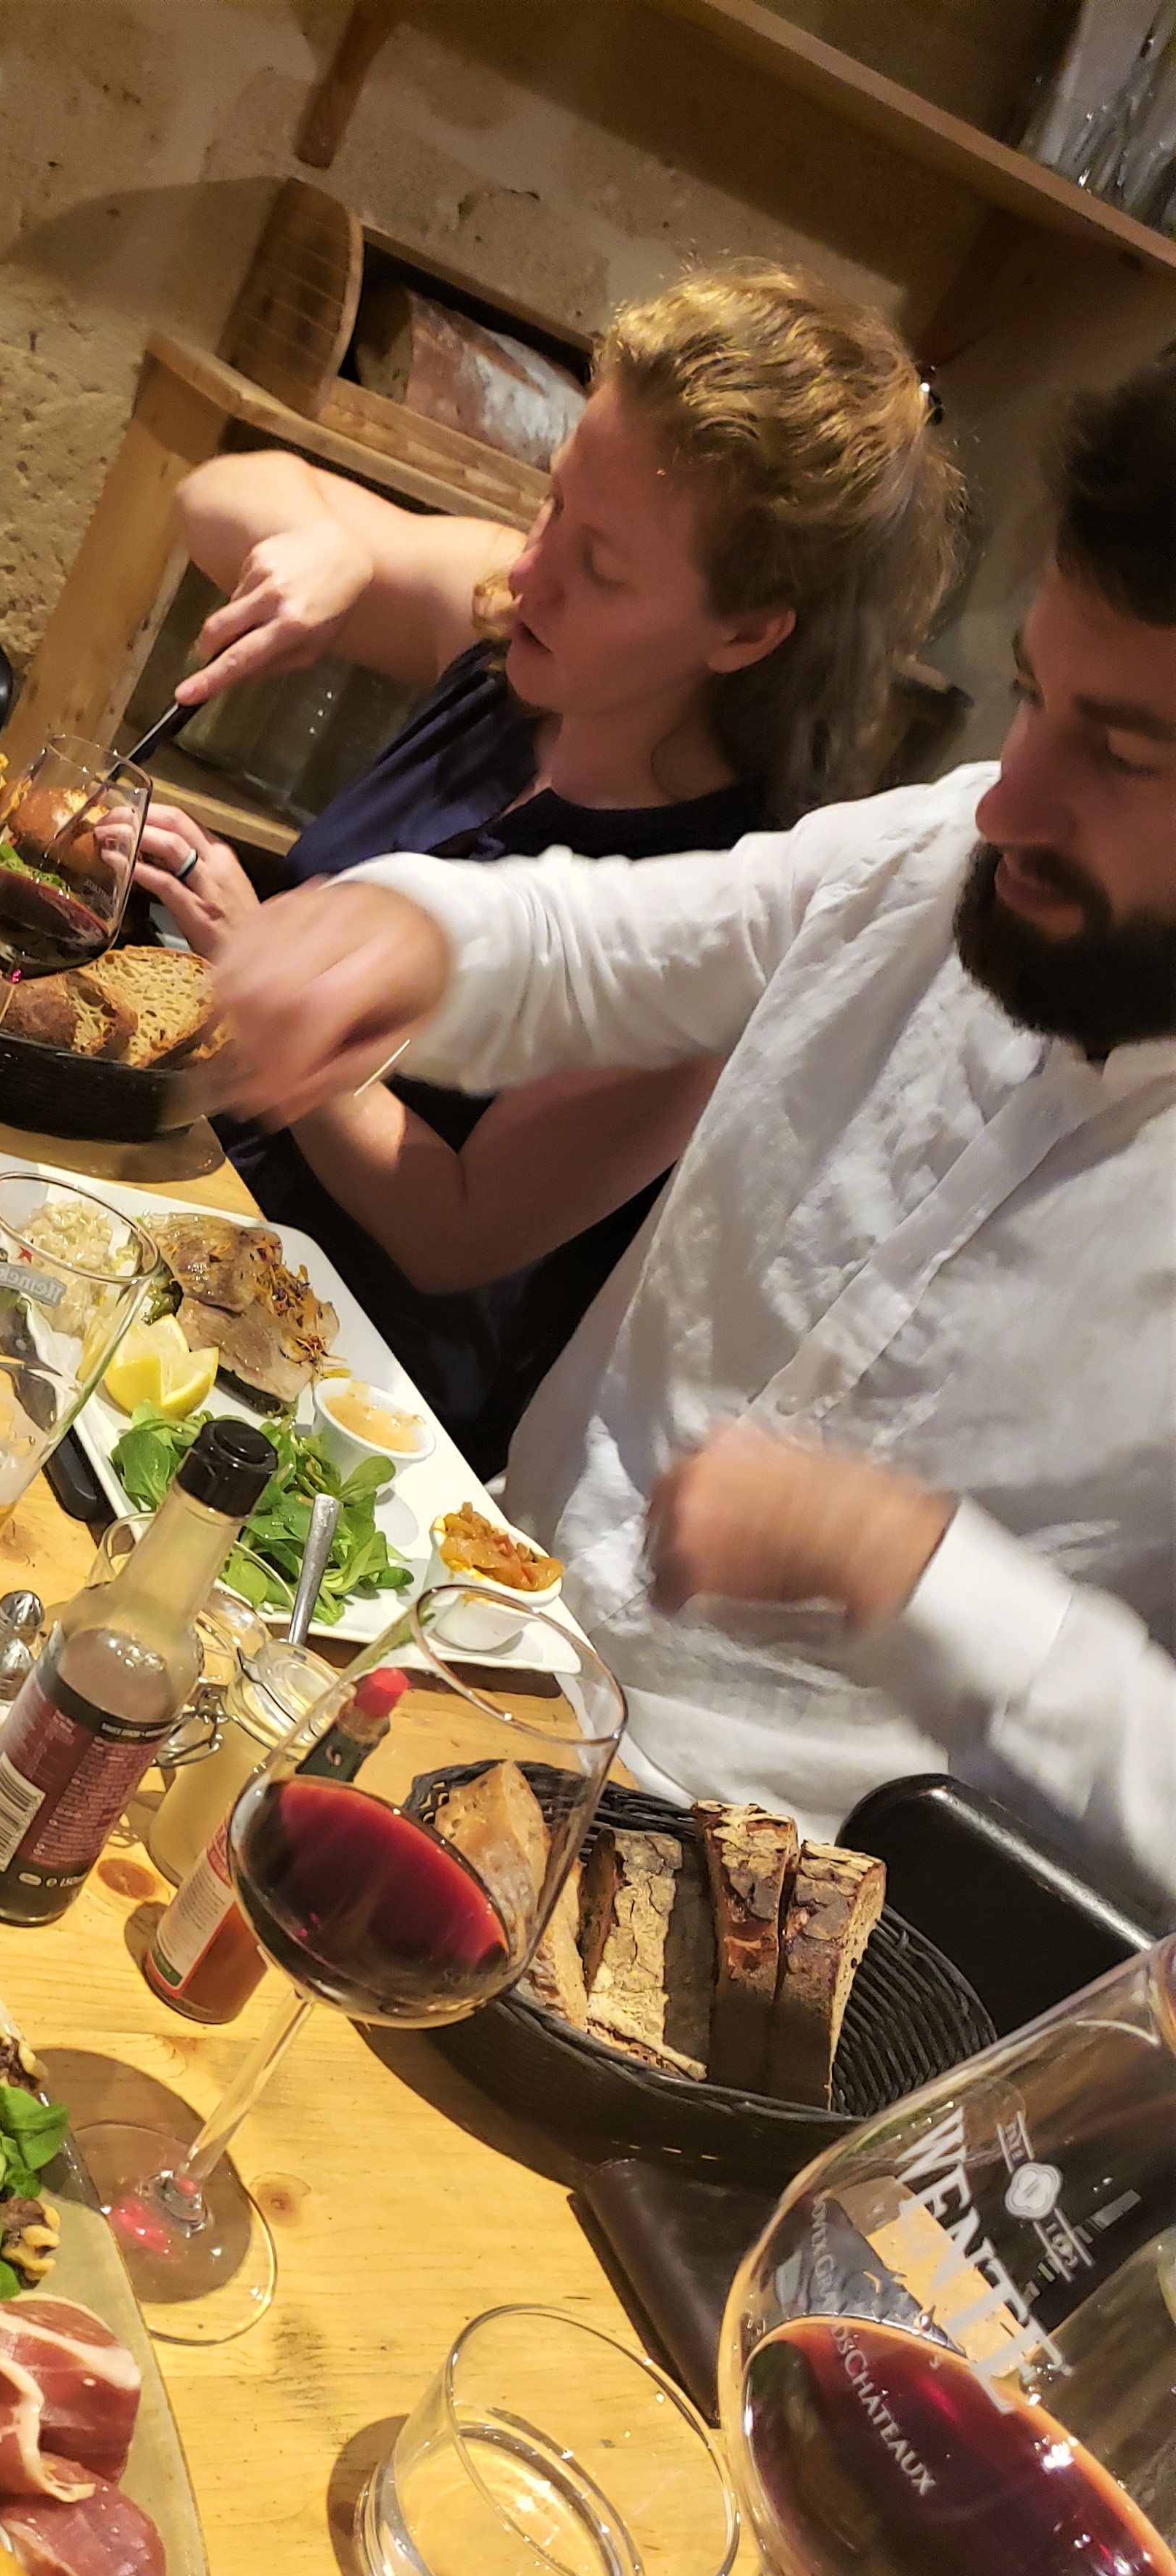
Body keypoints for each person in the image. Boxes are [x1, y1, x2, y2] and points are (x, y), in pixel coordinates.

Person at [203, 348, 1176, 1920]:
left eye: (1121, 754)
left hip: (765, 1929)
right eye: (1033, 697)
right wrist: (410, 934)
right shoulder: (946, 844)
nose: (1008, 803)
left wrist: (914, 1568)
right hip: (474, 1646)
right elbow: (629, 941)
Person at [128, 267, 959, 1472]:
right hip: (189, 1216)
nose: (533, 567)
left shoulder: (720, 919)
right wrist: (327, 545)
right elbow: (214, 493)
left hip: (335, 1404)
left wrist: (260, 964)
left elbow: (455, 1235)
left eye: (604, 565)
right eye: (554, 496)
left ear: (747, 633)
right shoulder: (509, 621)